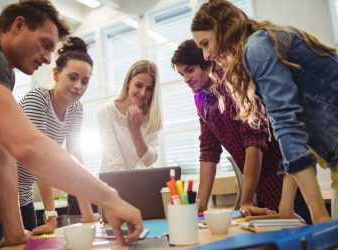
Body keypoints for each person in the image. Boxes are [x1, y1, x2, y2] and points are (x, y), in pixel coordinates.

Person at [0, 1, 142, 249]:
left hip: (18, 195)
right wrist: (112, 199)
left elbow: (2, 150)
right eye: (45, 44)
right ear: (19, 25)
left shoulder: (4, 75)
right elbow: (28, 147)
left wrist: (14, 231)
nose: (47, 58)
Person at [191, 0, 337, 223]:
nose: (206, 54)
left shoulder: (257, 48)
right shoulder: (261, 45)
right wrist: (285, 207)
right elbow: (297, 135)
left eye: (205, 43)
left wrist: (318, 214)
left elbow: (287, 127)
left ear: (222, 28)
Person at [0, 37, 100, 250]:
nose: (78, 86)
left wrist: (88, 214)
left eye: (85, 81)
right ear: (56, 74)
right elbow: (38, 159)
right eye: (73, 77)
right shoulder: (38, 99)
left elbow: (76, 158)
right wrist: (52, 215)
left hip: (23, 196)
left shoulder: (76, 110)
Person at [171, 39, 283, 215]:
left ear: (207, 64)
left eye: (190, 70)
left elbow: (254, 142)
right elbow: (208, 151)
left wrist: (246, 200)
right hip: (256, 188)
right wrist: (200, 206)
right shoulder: (201, 100)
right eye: (181, 74)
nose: (186, 79)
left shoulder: (236, 84)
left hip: (282, 179)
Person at [97, 60, 162, 172]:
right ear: (128, 82)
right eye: (138, 85)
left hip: (137, 183)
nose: (142, 93)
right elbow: (115, 163)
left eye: (149, 89)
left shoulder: (152, 118)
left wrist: (135, 131)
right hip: (111, 183)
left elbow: (149, 160)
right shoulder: (106, 113)